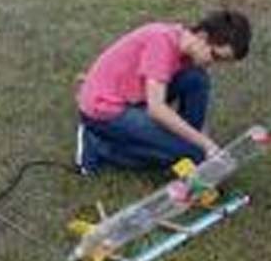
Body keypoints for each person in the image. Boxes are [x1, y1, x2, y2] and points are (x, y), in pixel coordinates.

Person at [75, 10, 252, 175]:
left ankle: (181, 146)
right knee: (191, 154)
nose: (214, 63)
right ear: (202, 36)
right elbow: (156, 109)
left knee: (197, 79)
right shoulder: (162, 42)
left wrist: (201, 140)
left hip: (135, 98)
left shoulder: (184, 44)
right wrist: (206, 145)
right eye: (216, 56)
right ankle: (98, 148)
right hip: (104, 109)